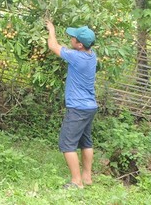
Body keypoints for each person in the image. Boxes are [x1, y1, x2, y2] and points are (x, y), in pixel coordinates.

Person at [45, 18, 97, 189]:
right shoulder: (92, 55)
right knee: (86, 142)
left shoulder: (76, 57)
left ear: (80, 45)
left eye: (73, 38)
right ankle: (87, 177)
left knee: (67, 145)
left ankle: (76, 182)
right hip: (90, 107)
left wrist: (51, 29)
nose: (71, 39)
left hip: (78, 108)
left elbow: (53, 46)